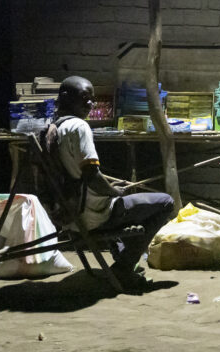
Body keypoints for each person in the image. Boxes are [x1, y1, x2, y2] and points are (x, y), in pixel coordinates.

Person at [53, 75, 175, 290]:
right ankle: (125, 265)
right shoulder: (79, 127)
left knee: (129, 203)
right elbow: (92, 176)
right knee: (165, 202)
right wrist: (114, 192)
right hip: (93, 214)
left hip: (69, 216)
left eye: (92, 99)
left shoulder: (54, 127)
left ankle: (123, 256)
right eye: (84, 98)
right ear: (66, 97)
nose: (90, 104)